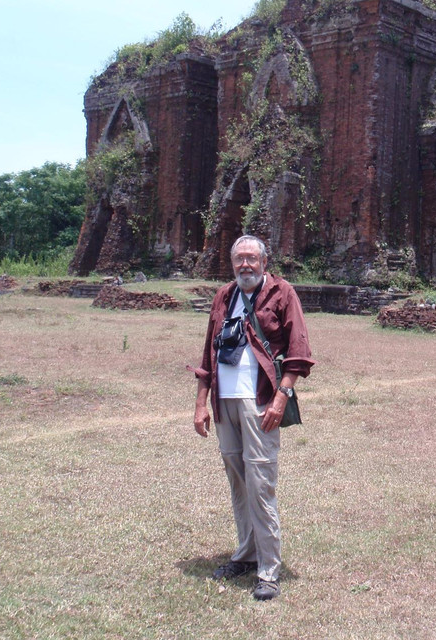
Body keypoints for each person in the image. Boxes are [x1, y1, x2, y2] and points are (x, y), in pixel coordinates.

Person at [187, 234, 313, 601]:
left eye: (251, 259)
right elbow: (209, 353)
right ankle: (245, 554)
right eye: (239, 259)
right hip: (226, 402)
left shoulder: (282, 293)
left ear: (263, 262)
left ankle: (269, 569)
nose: (245, 265)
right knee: (238, 481)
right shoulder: (224, 296)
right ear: (232, 264)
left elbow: (299, 352)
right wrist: (201, 403)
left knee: (260, 482)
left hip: (260, 402)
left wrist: (281, 397)